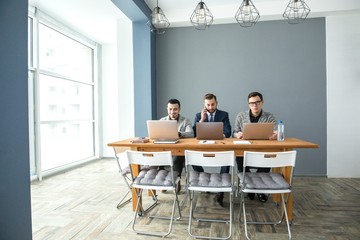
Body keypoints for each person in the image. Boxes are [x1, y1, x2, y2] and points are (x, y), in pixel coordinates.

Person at [233, 91, 277, 202]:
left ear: (262, 103)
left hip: (263, 149)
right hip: (244, 149)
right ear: (248, 104)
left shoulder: (269, 116)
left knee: (268, 159)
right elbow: (235, 131)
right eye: (252, 103)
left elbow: (275, 130)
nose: (255, 105)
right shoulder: (241, 115)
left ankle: (258, 189)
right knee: (240, 161)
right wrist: (237, 134)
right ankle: (249, 187)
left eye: (257, 102)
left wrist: (275, 135)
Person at [193, 93, 232, 206]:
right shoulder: (198, 115)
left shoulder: (224, 114)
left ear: (217, 103)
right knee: (192, 157)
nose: (210, 107)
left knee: (227, 158)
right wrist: (201, 120)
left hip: (219, 144)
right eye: (208, 105)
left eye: (213, 104)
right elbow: (193, 134)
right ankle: (205, 183)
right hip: (203, 145)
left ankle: (221, 191)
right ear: (204, 105)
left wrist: (221, 135)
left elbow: (228, 131)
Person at [160, 98, 194, 193]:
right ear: (167, 109)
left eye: (175, 109)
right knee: (159, 157)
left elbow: (191, 134)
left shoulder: (185, 121)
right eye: (170, 109)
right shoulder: (162, 121)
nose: (172, 112)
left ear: (179, 109)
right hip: (165, 150)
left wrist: (178, 134)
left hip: (178, 151)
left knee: (176, 159)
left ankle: (176, 182)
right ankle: (163, 182)